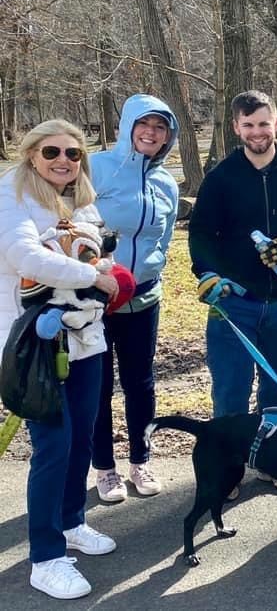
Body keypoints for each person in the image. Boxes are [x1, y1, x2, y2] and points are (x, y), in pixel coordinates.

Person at [0, 120, 120, 599]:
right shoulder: (11, 193)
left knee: (84, 436)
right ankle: (45, 557)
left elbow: (100, 255)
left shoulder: (80, 198)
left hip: (87, 338)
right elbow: (25, 256)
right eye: (52, 152)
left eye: (73, 154)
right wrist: (96, 278)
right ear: (32, 153)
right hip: (36, 343)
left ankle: (71, 522)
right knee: (53, 445)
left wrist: (105, 273)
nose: (63, 161)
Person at [189, 91, 277, 493]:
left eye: (263, 124)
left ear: (276, 124)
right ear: (236, 128)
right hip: (233, 303)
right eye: (248, 125)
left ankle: (271, 461)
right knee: (230, 391)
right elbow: (200, 235)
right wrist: (207, 274)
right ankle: (227, 468)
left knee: (276, 390)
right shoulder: (221, 177)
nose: (257, 132)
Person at [90, 94, 179, 504]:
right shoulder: (98, 168)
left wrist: (152, 268)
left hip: (143, 297)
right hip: (94, 296)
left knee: (140, 384)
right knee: (98, 384)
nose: (151, 133)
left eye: (160, 127)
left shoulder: (166, 182)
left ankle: (141, 460)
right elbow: (73, 222)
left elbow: (162, 238)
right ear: (128, 126)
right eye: (144, 124)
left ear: (168, 136)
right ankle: (104, 469)